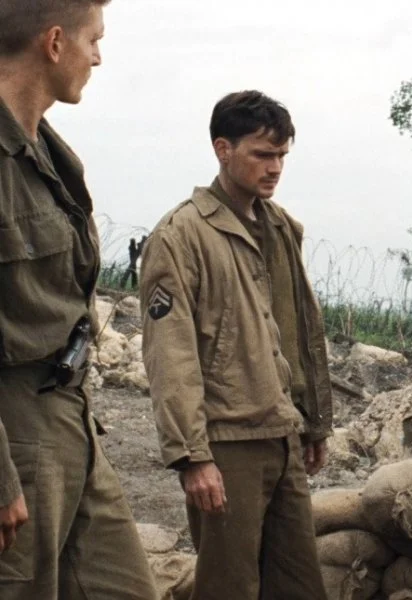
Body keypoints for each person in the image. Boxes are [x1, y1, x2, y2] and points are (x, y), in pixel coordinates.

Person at [140, 91, 333, 600]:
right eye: (262, 154)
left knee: (299, 586)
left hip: (282, 433)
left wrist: (313, 420)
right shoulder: (181, 235)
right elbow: (171, 355)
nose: (275, 168)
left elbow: (299, 329)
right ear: (222, 149)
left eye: (282, 156)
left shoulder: (279, 227)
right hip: (226, 442)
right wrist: (193, 457)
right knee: (229, 586)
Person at [0, 1, 157, 598]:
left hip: (71, 417)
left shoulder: (48, 152)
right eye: (94, 40)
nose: (98, 57)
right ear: (54, 42)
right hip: (14, 430)